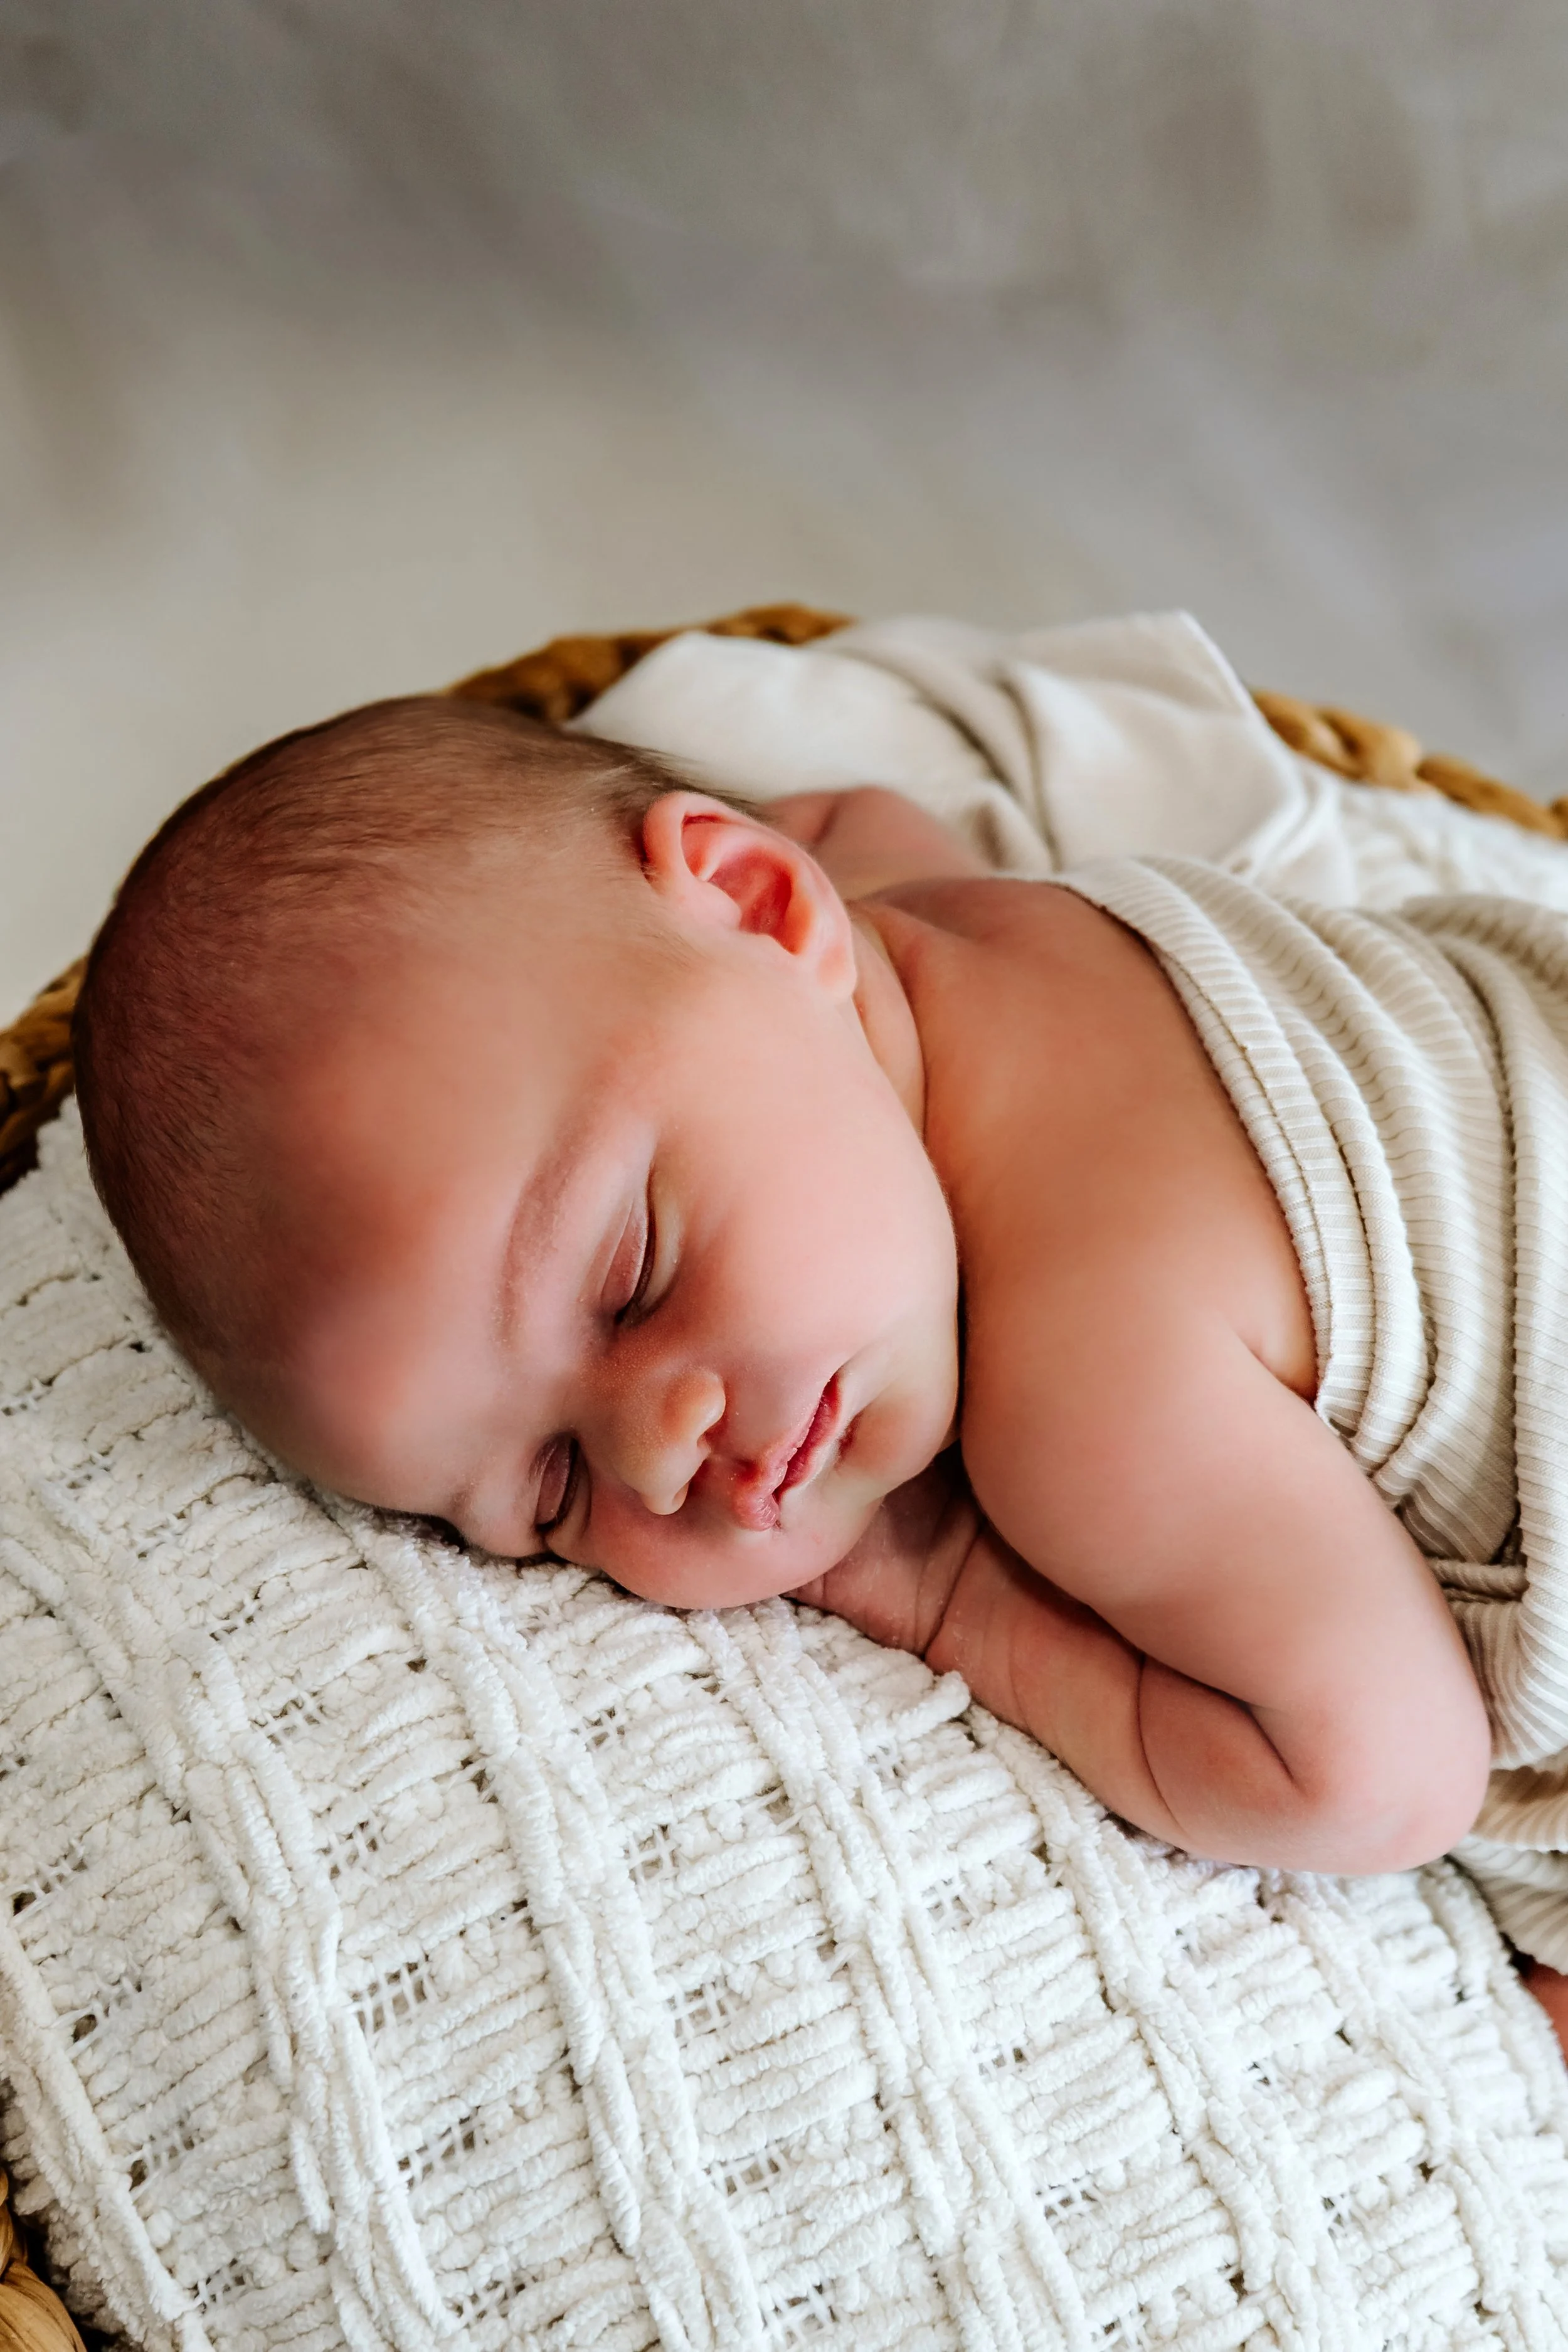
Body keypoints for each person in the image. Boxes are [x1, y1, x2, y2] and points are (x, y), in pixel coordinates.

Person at [72, 697, 1568, 2057]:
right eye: (550, 1487)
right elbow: (851, 807)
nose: (666, 1452)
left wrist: (957, 1604)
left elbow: (1383, 1781)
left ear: (761, 899)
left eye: (629, 1276)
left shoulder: (1090, 1402)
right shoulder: (914, 921)